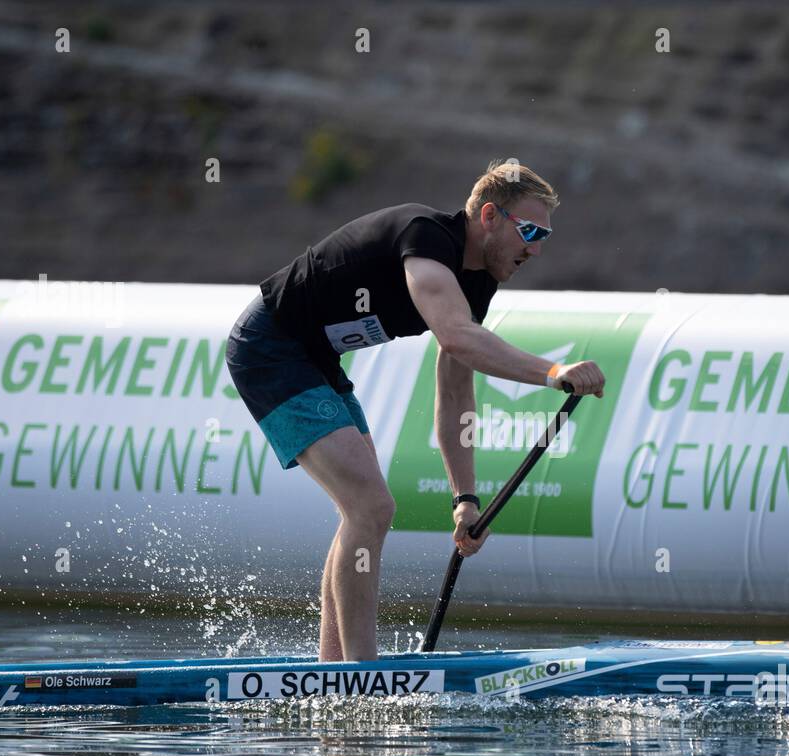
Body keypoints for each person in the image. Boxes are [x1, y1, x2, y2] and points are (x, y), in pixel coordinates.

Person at [225, 161, 606, 662]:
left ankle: (333, 669)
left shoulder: (476, 284)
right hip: (269, 346)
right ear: (489, 216)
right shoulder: (425, 238)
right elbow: (457, 337)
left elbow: (455, 393)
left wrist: (464, 498)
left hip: (315, 358)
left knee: (361, 510)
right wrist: (553, 371)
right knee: (371, 506)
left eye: (544, 237)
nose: (535, 249)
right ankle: (361, 676)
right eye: (530, 231)